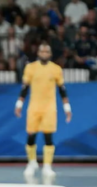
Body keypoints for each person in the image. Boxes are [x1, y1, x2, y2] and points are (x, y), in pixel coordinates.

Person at [14, 43, 72, 179]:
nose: (44, 53)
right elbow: (25, 88)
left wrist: (67, 108)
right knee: (31, 135)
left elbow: (62, 90)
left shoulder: (56, 69)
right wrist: (19, 104)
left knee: (48, 137)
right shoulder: (31, 68)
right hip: (34, 107)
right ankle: (32, 162)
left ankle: (47, 165)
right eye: (42, 51)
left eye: (47, 51)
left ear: (50, 54)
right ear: (38, 53)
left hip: (49, 108)